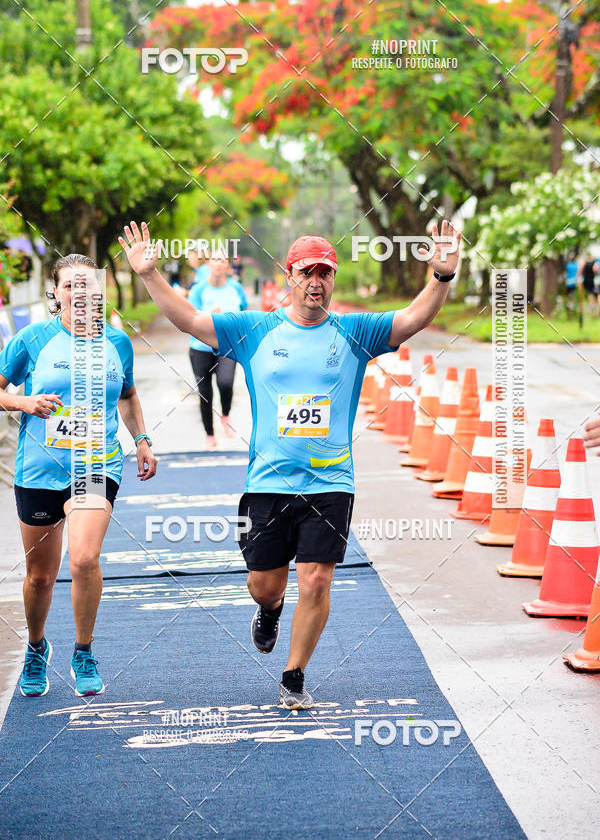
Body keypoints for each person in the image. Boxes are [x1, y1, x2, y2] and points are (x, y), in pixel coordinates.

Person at [118, 221, 460, 709]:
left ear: (333, 279)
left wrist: (441, 279)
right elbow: (191, 321)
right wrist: (150, 275)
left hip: (331, 481)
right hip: (268, 483)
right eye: (307, 272)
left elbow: (411, 319)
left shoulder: (355, 331)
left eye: (325, 273)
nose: (316, 281)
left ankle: (294, 676)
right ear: (289, 276)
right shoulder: (255, 328)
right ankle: (271, 609)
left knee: (317, 578)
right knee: (264, 583)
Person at [0, 253, 157, 698]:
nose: (80, 293)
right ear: (57, 292)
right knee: (40, 577)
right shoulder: (33, 339)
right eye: (71, 285)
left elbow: (127, 395)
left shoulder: (117, 342)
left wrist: (142, 439)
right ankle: (36, 647)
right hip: (40, 469)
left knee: (84, 558)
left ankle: (83, 650)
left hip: (96, 463)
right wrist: (23, 403)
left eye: (88, 284)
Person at [188, 255, 248, 449]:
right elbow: (188, 316)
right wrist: (209, 316)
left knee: (225, 383)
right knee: (205, 393)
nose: (219, 263)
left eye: (223, 260)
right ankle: (210, 435)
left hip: (227, 346)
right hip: (200, 348)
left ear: (227, 266)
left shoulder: (235, 288)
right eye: (215, 259)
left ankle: (226, 414)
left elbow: (244, 312)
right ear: (209, 264)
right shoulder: (199, 289)